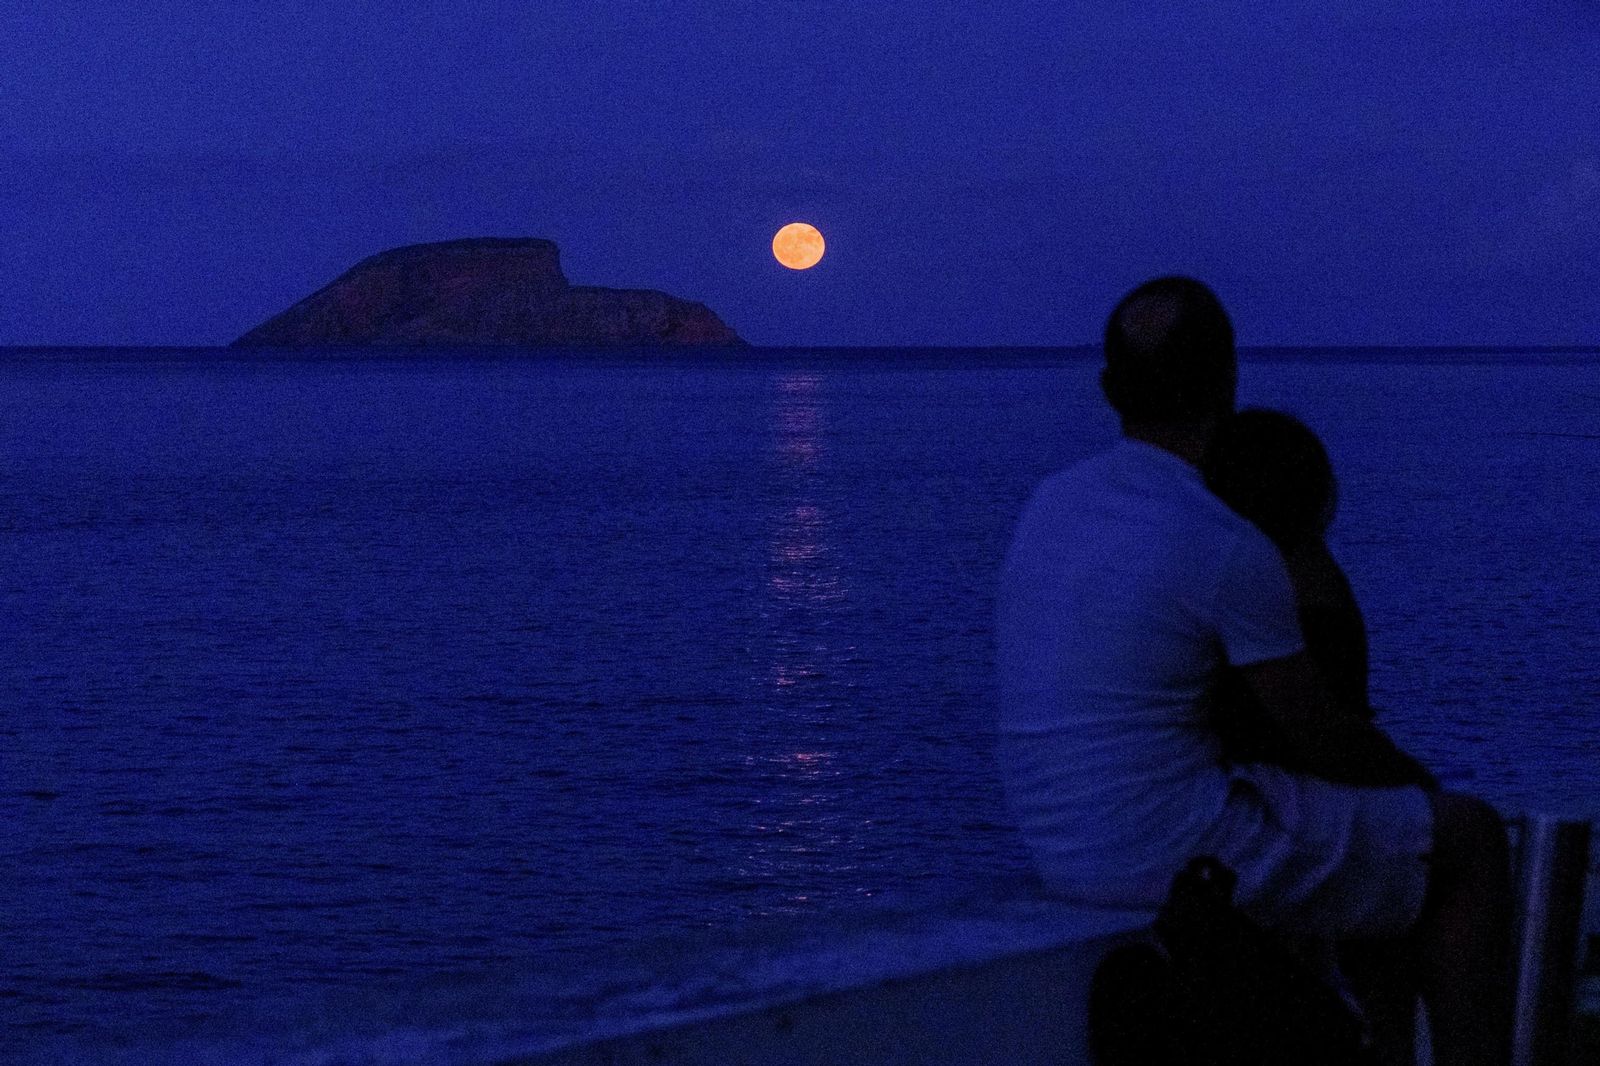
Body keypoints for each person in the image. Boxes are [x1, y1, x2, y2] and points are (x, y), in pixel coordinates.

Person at [996, 277, 1512, 1066]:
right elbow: (1321, 735)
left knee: (1377, 842)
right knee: (1467, 840)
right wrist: (1423, 789)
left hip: (1058, 845)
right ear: (1228, 380)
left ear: (1108, 389)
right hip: (1169, 849)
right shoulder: (1222, 540)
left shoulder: (1050, 503)